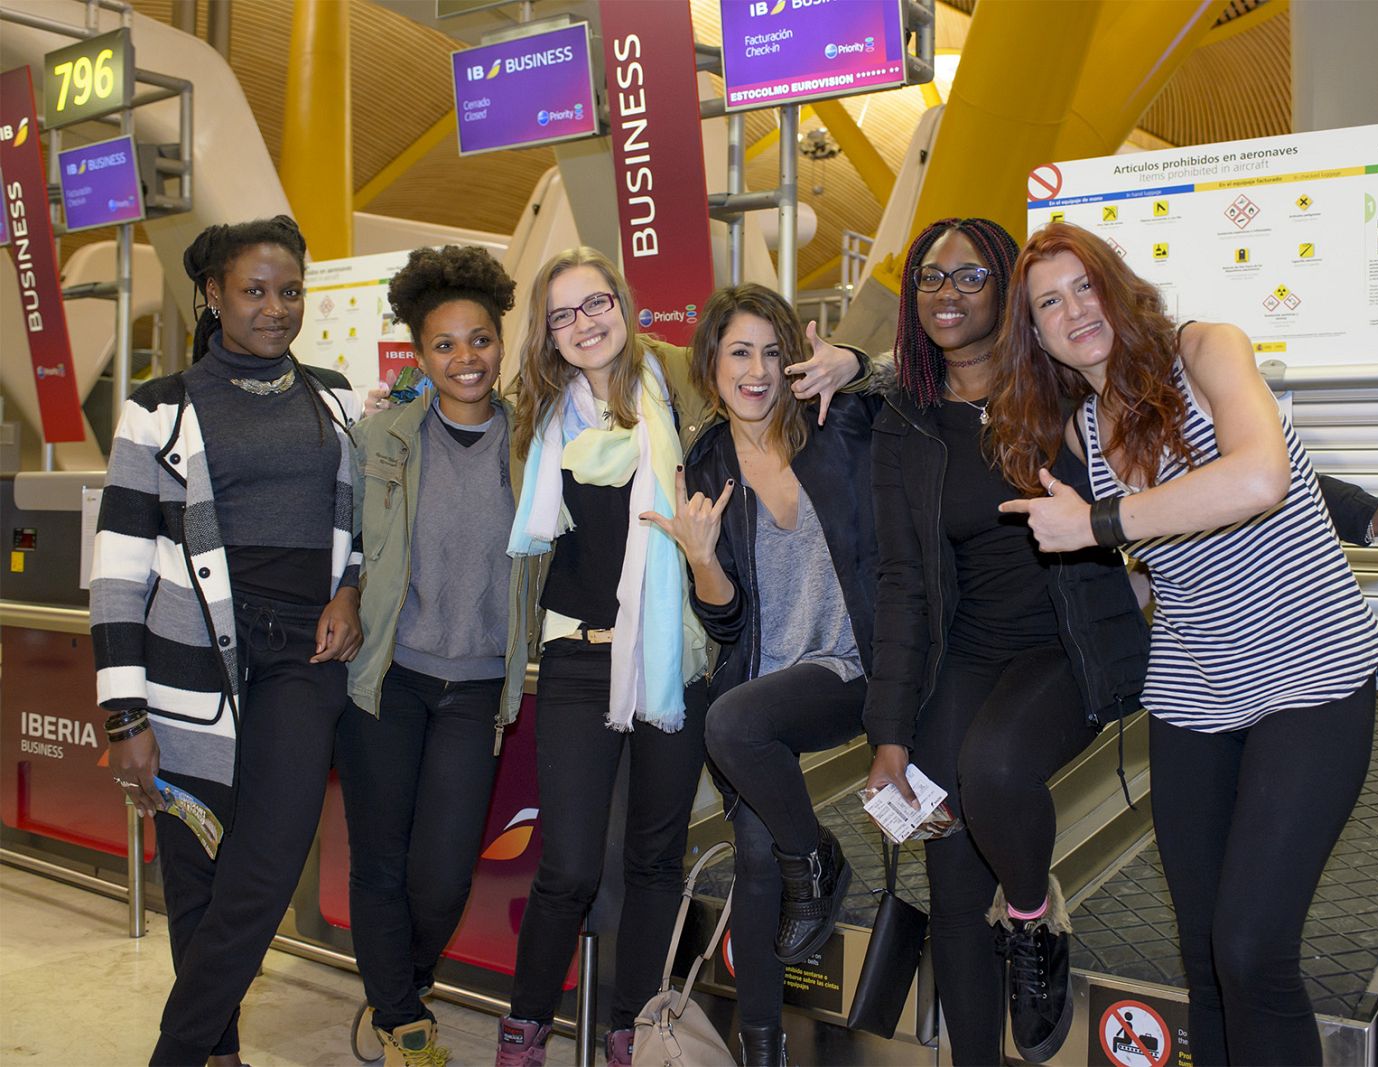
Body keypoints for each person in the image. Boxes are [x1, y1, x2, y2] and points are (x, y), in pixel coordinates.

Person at [990, 221, 1378, 1066]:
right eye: (1049, 303)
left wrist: (1099, 522)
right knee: (1207, 958)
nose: (1075, 310)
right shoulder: (1084, 430)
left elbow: (1260, 475)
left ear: (1118, 284)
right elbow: (1157, 566)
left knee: (1252, 948)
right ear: (1037, 334)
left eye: (1085, 286)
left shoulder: (1206, 348)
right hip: (1193, 686)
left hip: (1309, 669)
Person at [493, 249, 866, 1067]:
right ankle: (522, 1033)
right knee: (570, 868)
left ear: (623, 307)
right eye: (564, 314)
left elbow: (763, 373)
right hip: (577, 661)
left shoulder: (678, 392)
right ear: (548, 336)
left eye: (597, 303)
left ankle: (632, 1030)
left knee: (656, 858)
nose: (585, 323)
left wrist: (848, 356)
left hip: (677, 662)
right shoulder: (537, 418)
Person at [861, 217, 1149, 1066]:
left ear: (1009, 291)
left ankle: (1032, 921)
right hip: (970, 654)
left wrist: (1368, 508)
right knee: (949, 885)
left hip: (1071, 643)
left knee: (992, 769)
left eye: (970, 277)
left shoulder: (1066, 393)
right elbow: (902, 586)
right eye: (929, 278)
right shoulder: (905, 424)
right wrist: (889, 735)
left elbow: (1199, 462)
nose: (945, 294)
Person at [92, 215, 363, 1066]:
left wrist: (350, 585)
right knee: (198, 870)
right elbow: (118, 569)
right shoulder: (157, 408)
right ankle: (218, 1050)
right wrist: (123, 714)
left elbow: (358, 524)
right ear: (212, 295)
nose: (276, 309)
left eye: (290, 291)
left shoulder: (334, 394)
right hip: (190, 658)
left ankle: (173, 1051)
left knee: (268, 862)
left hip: (304, 655)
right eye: (254, 290)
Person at [642, 284, 879, 1066]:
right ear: (711, 364)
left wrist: (857, 361)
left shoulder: (838, 419)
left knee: (732, 722)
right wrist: (703, 559)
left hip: (851, 667)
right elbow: (728, 623)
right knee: (753, 856)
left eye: (773, 351)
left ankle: (815, 857)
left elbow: (933, 381)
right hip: (762, 676)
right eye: (740, 352)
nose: (759, 370)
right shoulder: (706, 460)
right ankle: (764, 1048)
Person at [339, 245, 527, 1065]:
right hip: (389, 675)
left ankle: (395, 989)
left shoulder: (534, 443)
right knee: (379, 854)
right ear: (419, 354)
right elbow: (340, 539)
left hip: (479, 684)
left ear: (502, 341)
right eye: (445, 344)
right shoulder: (381, 434)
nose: (465, 359)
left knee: (444, 870)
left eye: (479, 339)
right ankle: (399, 1012)